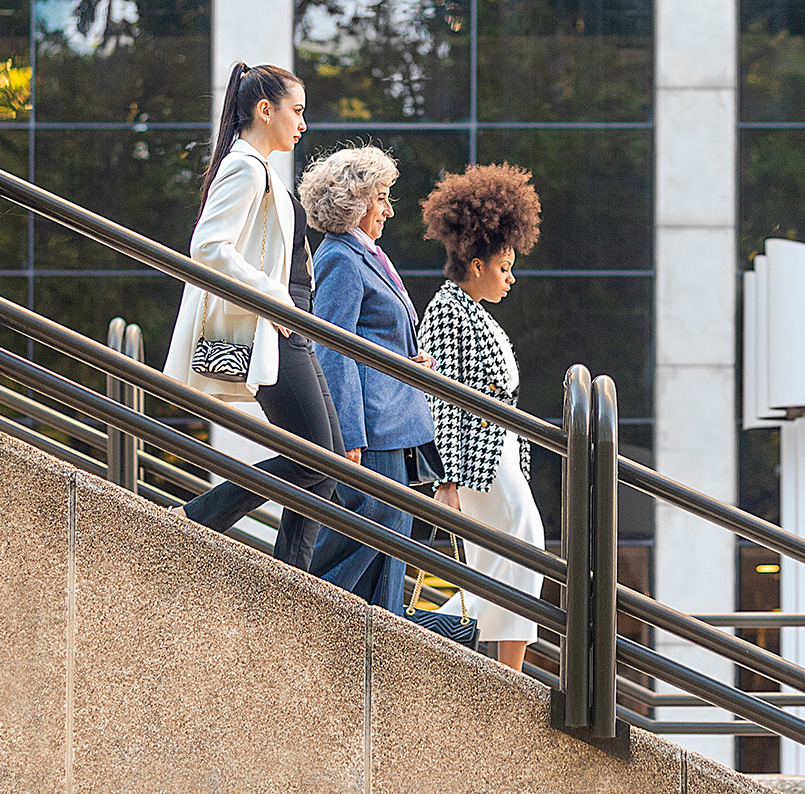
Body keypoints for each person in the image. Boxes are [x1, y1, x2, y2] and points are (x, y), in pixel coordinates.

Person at [163, 62, 344, 570]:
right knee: (318, 459)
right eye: (297, 111)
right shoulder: (244, 166)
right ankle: (197, 520)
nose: (304, 124)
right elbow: (207, 246)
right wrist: (272, 296)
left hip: (290, 327)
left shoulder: (260, 168)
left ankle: (291, 582)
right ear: (266, 110)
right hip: (275, 327)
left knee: (326, 465)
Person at [297, 145, 440, 613]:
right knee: (374, 523)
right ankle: (301, 611)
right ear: (355, 202)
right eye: (381, 197)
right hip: (372, 427)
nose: (389, 208)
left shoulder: (365, 254)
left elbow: (372, 339)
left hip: (390, 419)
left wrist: (407, 363)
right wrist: (349, 434)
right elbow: (333, 346)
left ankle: (378, 639)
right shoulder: (340, 257)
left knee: (390, 532)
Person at [418, 163, 544, 670]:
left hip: (498, 455)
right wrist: (445, 480)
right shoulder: (449, 311)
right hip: (477, 462)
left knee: (502, 561)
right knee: (521, 550)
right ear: (475, 265)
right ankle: (504, 674)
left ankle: (446, 650)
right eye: (504, 267)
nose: (511, 278)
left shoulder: (471, 310)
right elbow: (440, 398)